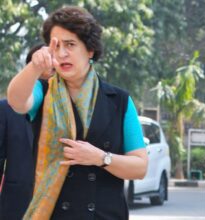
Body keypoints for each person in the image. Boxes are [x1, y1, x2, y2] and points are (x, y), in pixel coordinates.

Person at [7, 6, 147, 220]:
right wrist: (34, 67)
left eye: (70, 44)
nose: (62, 53)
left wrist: (100, 157)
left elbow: (140, 166)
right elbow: (16, 101)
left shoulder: (119, 100)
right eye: (56, 45)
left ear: (90, 50)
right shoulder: (43, 91)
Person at [0, 43, 53, 220]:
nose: (48, 65)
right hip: (16, 205)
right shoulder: (7, 108)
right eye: (42, 60)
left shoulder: (71, 107)